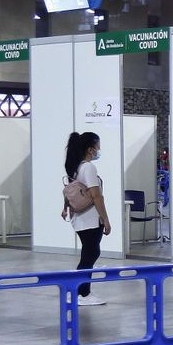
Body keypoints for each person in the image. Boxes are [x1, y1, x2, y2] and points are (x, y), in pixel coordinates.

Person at [63, 131, 111, 307]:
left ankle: (80, 292)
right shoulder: (88, 168)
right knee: (90, 254)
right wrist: (105, 219)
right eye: (98, 147)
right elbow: (96, 196)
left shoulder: (75, 167)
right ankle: (81, 293)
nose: (99, 151)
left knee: (89, 253)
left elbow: (68, 190)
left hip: (80, 218)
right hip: (90, 219)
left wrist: (65, 207)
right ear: (90, 149)